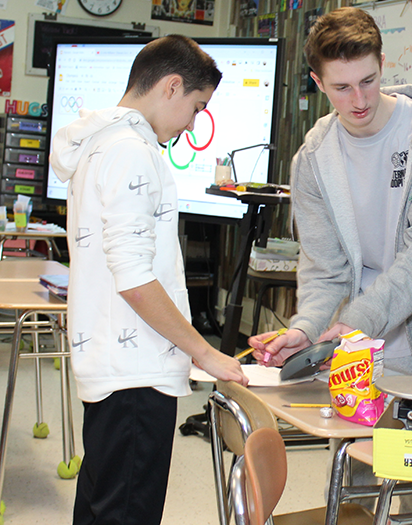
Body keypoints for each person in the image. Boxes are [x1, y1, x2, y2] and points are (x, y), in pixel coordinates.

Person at [50, 35, 249, 525]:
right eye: (197, 107)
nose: (192, 123)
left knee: (101, 507)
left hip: (116, 365)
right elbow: (135, 278)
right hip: (137, 370)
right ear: (171, 86)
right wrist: (203, 351)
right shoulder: (132, 152)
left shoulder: (102, 144)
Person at [250, 7, 412, 377]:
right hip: (351, 341)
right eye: (342, 88)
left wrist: (358, 320)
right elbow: (325, 269)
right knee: (350, 435)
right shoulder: (314, 160)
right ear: (318, 83)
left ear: (382, 63)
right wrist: (307, 328)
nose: (360, 100)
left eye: (368, 81)